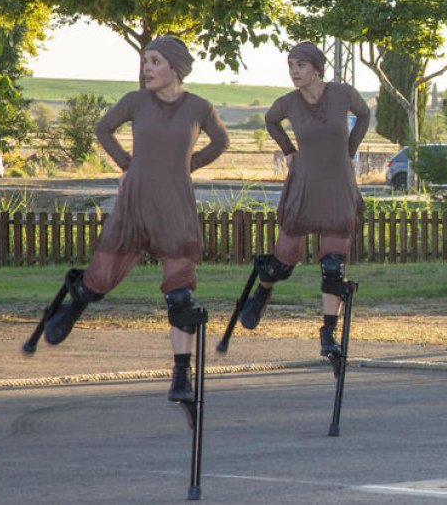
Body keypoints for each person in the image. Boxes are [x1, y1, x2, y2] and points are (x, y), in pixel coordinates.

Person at [40, 36, 229, 401]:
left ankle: (180, 375)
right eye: (145, 61)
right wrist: (128, 164)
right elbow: (102, 129)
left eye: (154, 61)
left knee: (180, 295)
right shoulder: (135, 101)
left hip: (175, 203)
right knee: (100, 281)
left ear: (174, 67)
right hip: (136, 200)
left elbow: (221, 142)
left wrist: (190, 165)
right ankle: (75, 302)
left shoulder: (199, 108)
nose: (147, 68)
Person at [238, 42, 370, 359]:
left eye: (300, 66)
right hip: (305, 182)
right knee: (282, 262)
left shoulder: (342, 94)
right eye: (291, 67)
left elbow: (365, 115)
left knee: (333, 267)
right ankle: (261, 294)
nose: (294, 73)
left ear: (315, 67)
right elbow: (271, 121)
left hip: (338, 183)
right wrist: (288, 150)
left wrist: (349, 150)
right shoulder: (289, 103)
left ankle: (328, 333)